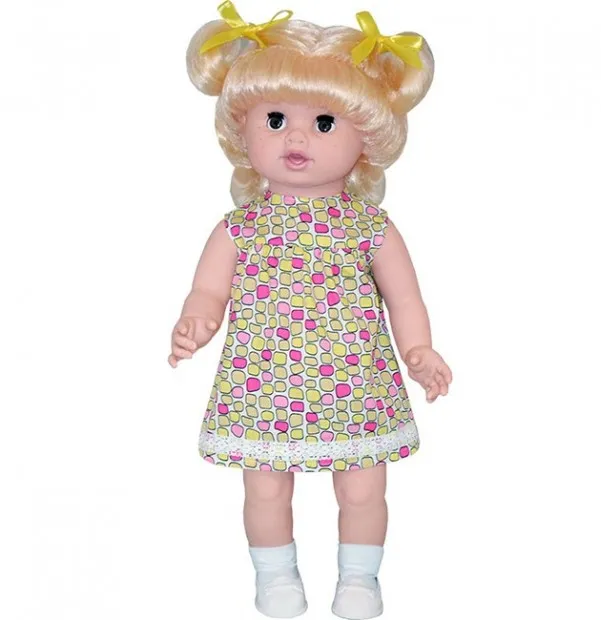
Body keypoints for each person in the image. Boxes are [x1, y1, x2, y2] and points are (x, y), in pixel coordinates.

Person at [169, 3, 453, 618]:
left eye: (324, 123)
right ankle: (275, 576)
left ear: (366, 139)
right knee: (265, 488)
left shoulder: (369, 226)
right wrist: (196, 320)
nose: (296, 138)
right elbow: (209, 290)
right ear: (242, 130)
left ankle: (360, 578)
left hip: (355, 379)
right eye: (275, 120)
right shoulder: (239, 228)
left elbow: (405, 297)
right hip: (263, 381)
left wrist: (419, 350)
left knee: (363, 487)